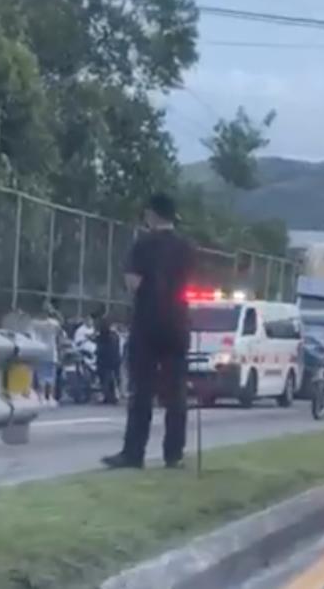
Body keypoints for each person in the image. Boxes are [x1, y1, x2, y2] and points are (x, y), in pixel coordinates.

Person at [102, 193, 195, 470]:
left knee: (141, 391)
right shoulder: (187, 247)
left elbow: (133, 283)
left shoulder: (142, 245)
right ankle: (173, 454)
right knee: (176, 391)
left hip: (147, 322)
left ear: (151, 215)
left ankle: (134, 453)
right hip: (178, 323)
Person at [30, 305, 65, 405]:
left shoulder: (34, 323)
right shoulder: (53, 323)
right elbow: (62, 323)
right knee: (50, 376)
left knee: (41, 376)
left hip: (40, 351)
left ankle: (41, 397)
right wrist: (55, 311)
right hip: (51, 352)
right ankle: (49, 397)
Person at [95, 315, 122, 405]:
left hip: (105, 359)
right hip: (114, 359)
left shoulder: (102, 335)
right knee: (114, 378)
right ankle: (114, 396)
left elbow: (100, 347)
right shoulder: (114, 335)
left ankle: (107, 395)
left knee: (105, 378)